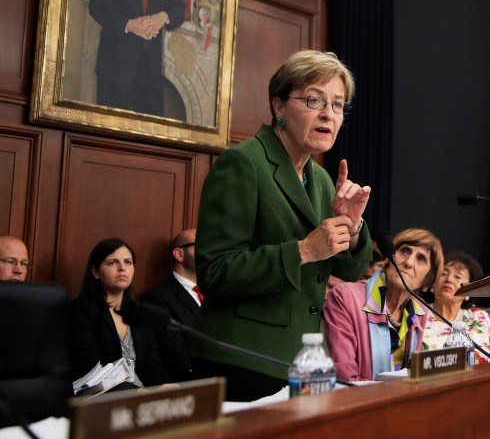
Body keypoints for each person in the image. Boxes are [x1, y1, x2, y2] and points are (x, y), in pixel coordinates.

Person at [192, 50, 372, 401]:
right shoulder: (243, 163)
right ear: (279, 107)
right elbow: (214, 272)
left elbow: (347, 274)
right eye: (314, 100)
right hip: (242, 360)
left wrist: (351, 230)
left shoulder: (321, 179)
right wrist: (303, 251)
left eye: (338, 104)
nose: (328, 113)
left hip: (303, 362)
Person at [323, 228, 442, 381]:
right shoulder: (345, 297)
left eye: (421, 259)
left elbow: (411, 374)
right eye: (404, 251)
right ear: (388, 259)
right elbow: (345, 377)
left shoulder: (420, 311)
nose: (408, 263)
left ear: (427, 280)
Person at [67, 238, 172, 391]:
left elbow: (152, 366)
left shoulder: (139, 313)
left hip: (141, 397)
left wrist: (167, 387)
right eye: (112, 262)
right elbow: (89, 370)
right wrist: (136, 393)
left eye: (128, 262)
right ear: (95, 272)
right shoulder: (81, 311)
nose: (122, 268)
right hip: (101, 398)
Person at [89, 0, 186, 116]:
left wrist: (163, 17)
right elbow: (97, 7)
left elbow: (181, 8)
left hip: (150, 70)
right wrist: (129, 25)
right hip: (116, 66)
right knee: (110, 123)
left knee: (150, 125)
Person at [422, 251, 490, 364]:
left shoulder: (479, 316)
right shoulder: (418, 314)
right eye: (443, 273)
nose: (449, 279)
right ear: (433, 283)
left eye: (457, 276)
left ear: (469, 291)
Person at [142, 229, 200, 381]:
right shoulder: (157, 298)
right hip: (191, 383)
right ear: (179, 254)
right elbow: (174, 352)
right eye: (202, 244)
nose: (209, 251)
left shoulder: (217, 294)